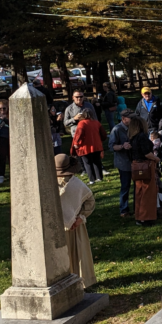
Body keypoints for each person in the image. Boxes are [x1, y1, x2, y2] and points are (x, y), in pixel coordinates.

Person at [54, 154, 97, 288]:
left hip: (64, 225)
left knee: (69, 252)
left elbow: (89, 200)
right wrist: (80, 217)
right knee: (77, 252)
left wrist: (79, 218)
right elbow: (91, 201)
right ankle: (81, 280)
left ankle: (73, 281)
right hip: (68, 225)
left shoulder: (74, 184)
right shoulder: (74, 183)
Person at [128, 115, 160, 227]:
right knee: (147, 192)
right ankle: (146, 217)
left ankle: (139, 216)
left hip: (136, 165)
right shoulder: (142, 137)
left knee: (139, 191)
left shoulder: (133, 137)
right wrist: (156, 159)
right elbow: (147, 153)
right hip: (146, 165)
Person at [108, 110, 134, 218]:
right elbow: (111, 146)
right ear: (123, 118)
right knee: (125, 186)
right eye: (130, 118)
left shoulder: (133, 127)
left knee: (138, 185)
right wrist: (123, 146)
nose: (132, 120)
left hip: (134, 161)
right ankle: (124, 210)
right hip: (123, 163)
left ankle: (138, 208)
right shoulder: (117, 129)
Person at [70, 108, 105, 184]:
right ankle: (99, 177)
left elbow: (79, 134)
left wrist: (76, 143)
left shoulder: (82, 123)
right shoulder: (97, 122)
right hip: (96, 145)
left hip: (85, 147)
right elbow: (103, 134)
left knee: (87, 163)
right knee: (97, 161)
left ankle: (92, 180)